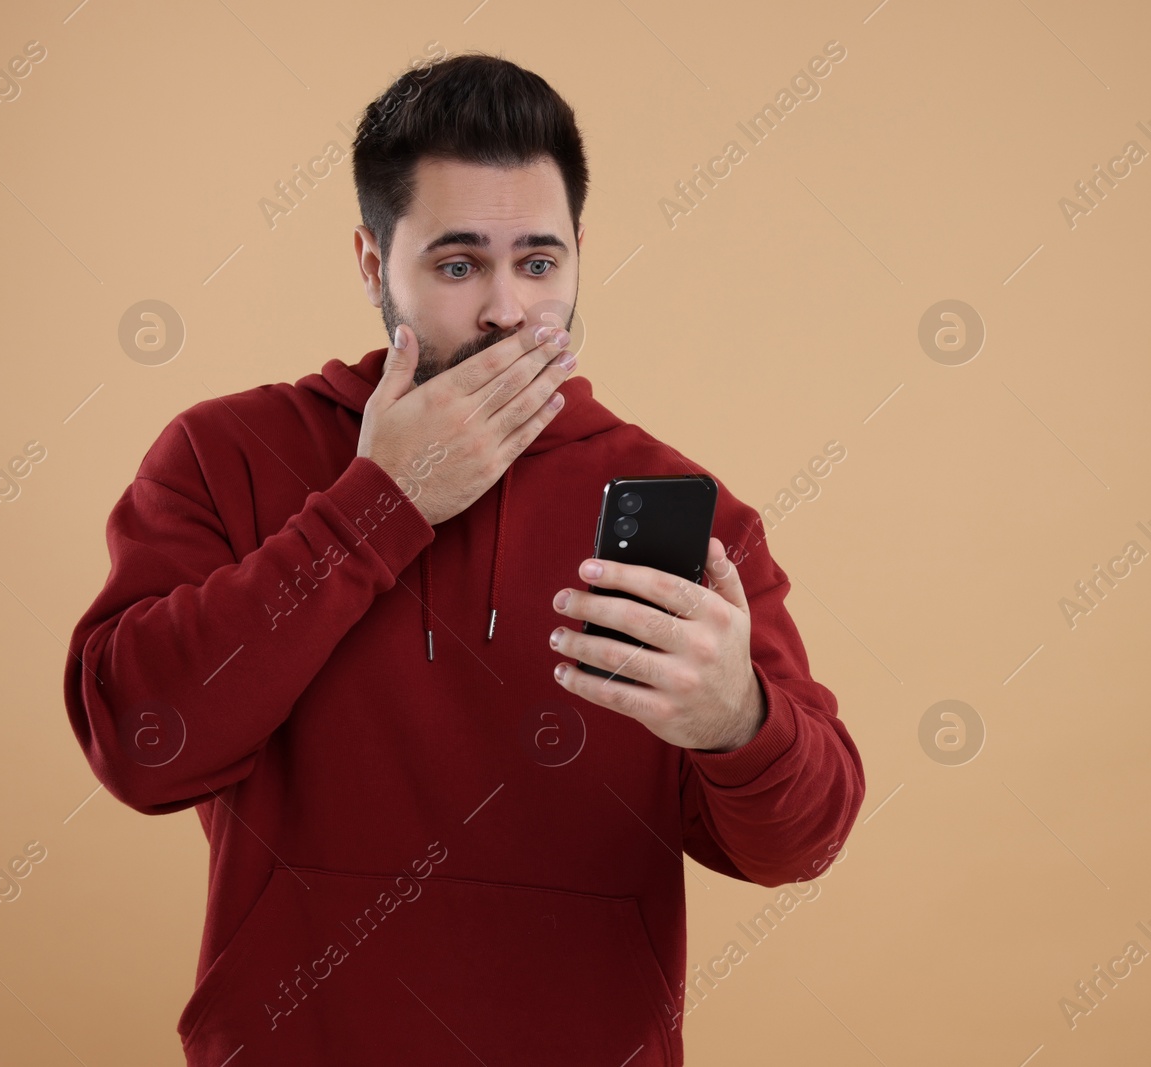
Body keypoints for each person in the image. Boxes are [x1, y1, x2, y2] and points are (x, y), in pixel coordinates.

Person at [62, 50, 864, 1066]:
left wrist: (734, 719)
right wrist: (377, 505)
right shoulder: (225, 458)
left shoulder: (688, 514)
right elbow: (142, 745)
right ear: (370, 264)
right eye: (456, 264)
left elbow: (804, 841)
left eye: (539, 261)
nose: (504, 307)